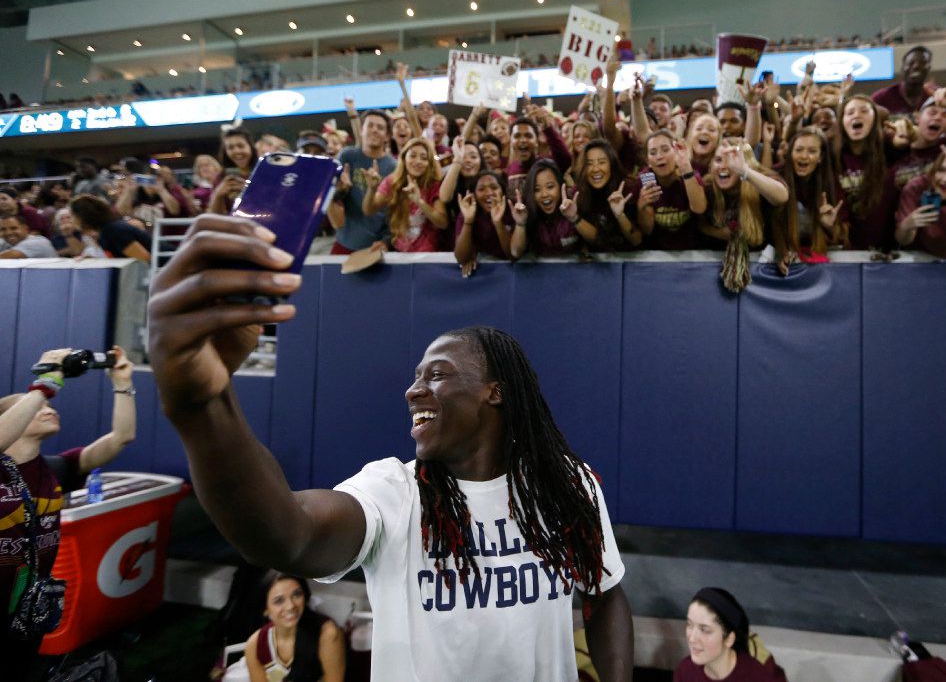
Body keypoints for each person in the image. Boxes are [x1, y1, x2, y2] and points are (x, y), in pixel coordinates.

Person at [146, 231, 634, 682]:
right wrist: (205, 406)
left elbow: (606, 594)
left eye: (436, 375)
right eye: (417, 376)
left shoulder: (567, 484)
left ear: (495, 392)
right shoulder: (395, 492)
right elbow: (287, 536)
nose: (413, 390)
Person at [1, 346, 136, 678]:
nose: (47, 407)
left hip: (25, 609)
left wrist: (123, 384)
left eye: (49, 405)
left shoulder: (57, 468)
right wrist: (47, 380)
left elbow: (122, 437)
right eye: (34, 405)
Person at [702, 139, 788, 292]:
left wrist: (745, 172)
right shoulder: (707, 186)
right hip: (714, 276)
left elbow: (781, 196)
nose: (723, 166)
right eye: (718, 160)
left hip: (761, 272)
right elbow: (698, 224)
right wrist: (719, 233)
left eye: (731, 159)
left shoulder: (758, 180)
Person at [224, 572, 344, 682]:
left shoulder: (327, 634)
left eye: (297, 594)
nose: (290, 606)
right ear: (265, 609)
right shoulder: (255, 646)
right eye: (279, 601)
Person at [673, 588, 786, 682]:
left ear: (729, 639)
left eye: (704, 630)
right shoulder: (684, 672)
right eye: (690, 625)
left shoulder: (759, 677)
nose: (692, 638)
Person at [773, 127, 845, 273]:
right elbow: (771, 222)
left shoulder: (831, 183)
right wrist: (781, 252)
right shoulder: (776, 177)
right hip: (782, 263)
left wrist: (828, 226)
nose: (804, 156)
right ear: (790, 152)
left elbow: (840, 237)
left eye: (812, 151)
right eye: (799, 150)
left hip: (816, 265)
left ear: (820, 157)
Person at [329, 109, 397, 254]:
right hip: (344, 241)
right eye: (370, 125)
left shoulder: (394, 167)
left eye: (380, 127)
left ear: (387, 136)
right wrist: (340, 191)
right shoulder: (347, 156)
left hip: (375, 246)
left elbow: (395, 210)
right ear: (361, 130)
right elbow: (330, 197)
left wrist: (387, 240)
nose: (374, 130)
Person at [362, 137, 447, 252]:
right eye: (413, 156)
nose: (418, 161)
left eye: (424, 158)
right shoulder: (391, 182)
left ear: (429, 163)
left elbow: (443, 223)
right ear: (404, 158)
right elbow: (368, 210)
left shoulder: (434, 185)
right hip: (400, 253)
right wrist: (372, 189)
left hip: (428, 256)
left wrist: (419, 201)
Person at [835, 95, 898, 251]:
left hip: (885, 250)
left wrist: (911, 134)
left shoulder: (890, 149)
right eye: (850, 112)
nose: (856, 115)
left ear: (875, 120)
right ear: (842, 122)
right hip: (844, 250)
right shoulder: (832, 155)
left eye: (864, 111)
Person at [637, 130, 708, 250]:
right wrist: (641, 206)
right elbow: (647, 230)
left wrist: (685, 168)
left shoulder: (691, 175)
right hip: (658, 253)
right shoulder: (645, 180)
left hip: (694, 251)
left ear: (676, 152)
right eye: (653, 153)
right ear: (648, 161)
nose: (659, 156)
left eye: (665, 150)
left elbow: (699, 208)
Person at [571, 139, 641, 252]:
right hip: (597, 264)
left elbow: (636, 240)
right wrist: (574, 217)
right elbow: (597, 241)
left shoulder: (627, 188)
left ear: (612, 164)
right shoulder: (578, 194)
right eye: (589, 164)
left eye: (602, 162)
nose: (595, 169)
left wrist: (620, 216)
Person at [509, 159, 581, 258]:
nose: (544, 194)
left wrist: (574, 218)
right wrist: (520, 224)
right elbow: (515, 253)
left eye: (550, 187)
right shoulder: (525, 211)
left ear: (560, 186)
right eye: (537, 189)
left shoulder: (574, 202)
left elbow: (596, 241)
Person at [454, 170, 512, 276]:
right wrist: (468, 221)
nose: (489, 193)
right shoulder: (467, 212)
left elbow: (512, 254)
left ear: (502, 191)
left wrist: (498, 223)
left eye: (494, 187)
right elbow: (461, 258)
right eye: (481, 189)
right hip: (485, 275)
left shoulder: (512, 210)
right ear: (474, 195)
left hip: (513, 272)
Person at [69, 193, 152, 262]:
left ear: (83, 216)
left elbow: (145, 258)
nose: (71, 220)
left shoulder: (113, 231)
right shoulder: (105, 232)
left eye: (72, 216)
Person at [871, 46, 932, 120]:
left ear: (928, 69)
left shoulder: (934, 99)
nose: (916, 66)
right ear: (902, 69)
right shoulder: (881, 98)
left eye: (922, 63)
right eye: (911, 63)